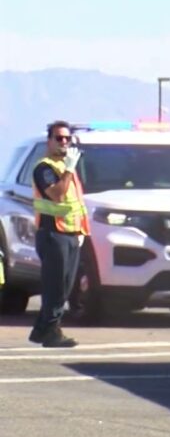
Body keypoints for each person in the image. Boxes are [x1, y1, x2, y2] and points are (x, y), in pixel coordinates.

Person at [28, 120, 90, 348]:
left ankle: (41, 331)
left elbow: (76, 204)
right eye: (59, 138)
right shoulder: (46, 168)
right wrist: (69, 169)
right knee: (55, 287)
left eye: (67, 138)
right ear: (49, 141)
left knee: (64, 286)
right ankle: (51, 332)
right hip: (53, 234)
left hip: (70, 234)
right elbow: (57, 196)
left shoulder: (66, 168)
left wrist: (80, 231)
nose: (64, 142)